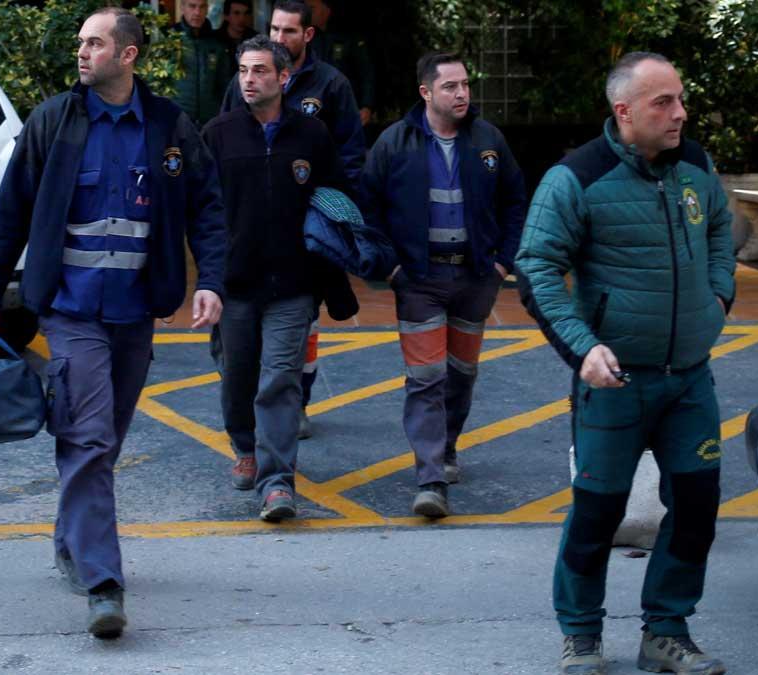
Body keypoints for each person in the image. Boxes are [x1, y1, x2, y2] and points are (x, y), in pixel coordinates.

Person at [0, 7, 225, 640]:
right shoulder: (54, 122)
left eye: (94, 43)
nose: (81, 53)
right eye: (81, 43)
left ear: (128, 55)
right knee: (87, 442)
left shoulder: (169, 127)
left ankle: (72, 540)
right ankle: (104, 583)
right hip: (71, 311)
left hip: (137, 314)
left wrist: (212, 281)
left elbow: (208, 208)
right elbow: (12, 210)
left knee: (100, 440)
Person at [515, 52, 734, 675]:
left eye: (680, 99)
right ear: (624, 111)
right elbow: (535, 266)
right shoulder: (576, 177)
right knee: (598, 511)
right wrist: (583, 347)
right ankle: (581, 635)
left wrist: (719, 296)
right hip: (615, 381)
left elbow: (720, 227)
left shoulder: (695, 163)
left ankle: (666, 631)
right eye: (663, 102)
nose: (679, 113)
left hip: (689, 376)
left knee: (696, 506)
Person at [360, 53, 527, 518]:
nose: (461, 94)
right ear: (426, 93)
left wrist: (501, 265)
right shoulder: (395, 142)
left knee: (461, 374)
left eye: (465, 85)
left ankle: (447, 445)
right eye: (450, 86)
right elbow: (366, 209)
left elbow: (515, 201)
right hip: (418, 281)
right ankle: (430, 478)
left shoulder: (488, 140)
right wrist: (390, 269)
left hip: (476, 279)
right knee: (425, 379)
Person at [202, 34, 352, 522]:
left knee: (280, 381)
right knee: (238, 378)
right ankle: (245, 447)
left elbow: (334, 204)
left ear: (283, 78)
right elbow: (201, 212)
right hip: (236, 285)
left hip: (293, 286)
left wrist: (335, 268)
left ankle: (276, 483)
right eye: (244, 70)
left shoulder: (312, 136)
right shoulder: (218, 135)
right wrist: (208, 277)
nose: (249, 79)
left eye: (260, 71)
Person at [219, 0, 367, 440]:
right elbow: (226, 139)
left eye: (289, 31)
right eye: (275, 29)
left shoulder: (332, 85)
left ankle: (296, 402)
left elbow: (350, 159)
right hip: (247, 242)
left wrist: (333, 218)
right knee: (241, 348)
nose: (280, 38)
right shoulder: (244, 81)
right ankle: (254, 427)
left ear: (308, 36)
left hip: (304, 237)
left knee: (302, 328)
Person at [305, 0, 375, 127]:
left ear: (326, 10)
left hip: (345, 108)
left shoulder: (349, 37)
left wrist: (367, 105)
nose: (307, 12)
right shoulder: (306, 37)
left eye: (312, 8)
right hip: (313, 107)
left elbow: (366, 73)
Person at [173, 0, 232, 126]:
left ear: (207, 9)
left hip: (211, 121)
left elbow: (225, 84)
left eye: (202, 7)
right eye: (192, 6)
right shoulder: (170, 40)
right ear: (183, 7)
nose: (197, 12)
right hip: (178, 119)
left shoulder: (217, 42)